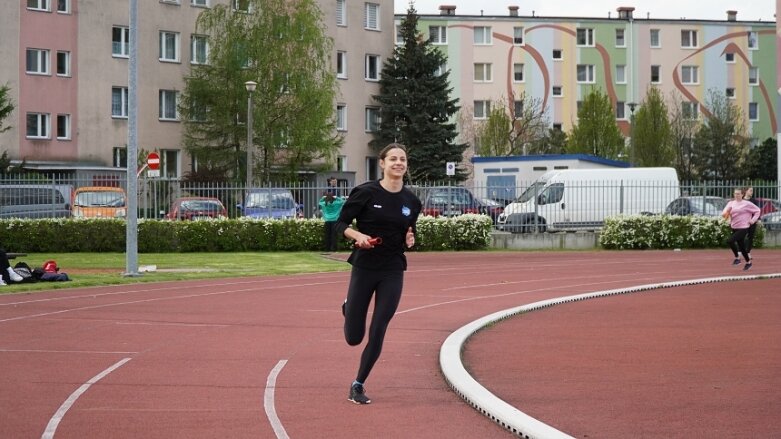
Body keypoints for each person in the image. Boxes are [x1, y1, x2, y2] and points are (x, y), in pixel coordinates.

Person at [334, 143, 422, 405]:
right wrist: (357, 235)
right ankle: (349, 307)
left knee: (379, 327)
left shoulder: (412, 201)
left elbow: (410, 231)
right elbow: (340, 224)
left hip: (393, 268)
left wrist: (410, 238)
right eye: (393, 158)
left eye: (403, 159)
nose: (398, 163)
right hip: (365, 266)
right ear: (382, 163)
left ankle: (358, 384)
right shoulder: (365, 193)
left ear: (406, 165)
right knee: (353, 338)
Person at [722, 188, 760, 271]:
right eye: (735, 194)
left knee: (730, 241)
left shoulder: (747, 204)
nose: (736, 195)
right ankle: (748, 263)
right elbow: (724, 214)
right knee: (742, 247)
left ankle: (737, 258)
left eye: (738, 194)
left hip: (744, 227)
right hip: (734, 227)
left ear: (742, 194)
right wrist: (727, 214)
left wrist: (752, 220)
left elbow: (757, 210)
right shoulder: (731, 203)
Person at [742, 186, 759, 260]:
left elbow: (757, 210)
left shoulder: (754, 200)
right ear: (746, 191)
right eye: (750, 190)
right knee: (741, 236)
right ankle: (740, 251)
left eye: (752, 191)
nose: (752, 192)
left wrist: (758, 219)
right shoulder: (741, 200)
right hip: (742, 222)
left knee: (750, 237)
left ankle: (748, 252)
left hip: (752, 221)